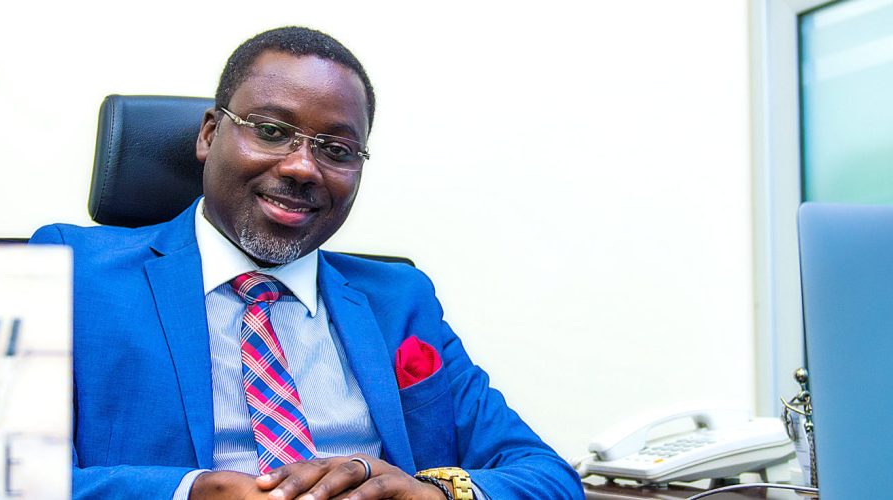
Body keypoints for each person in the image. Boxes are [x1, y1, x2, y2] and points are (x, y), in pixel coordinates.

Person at [30, 26, 584, 500]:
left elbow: (548, 477)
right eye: (271, 132)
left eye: (337, 149)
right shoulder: (72, 270)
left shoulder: (399, 299)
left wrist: (431, 491)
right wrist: (190, 490)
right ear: (208, 134)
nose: (303, 167)